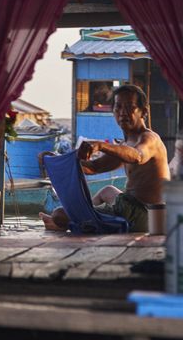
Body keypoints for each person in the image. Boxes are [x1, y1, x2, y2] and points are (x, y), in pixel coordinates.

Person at [39, 84, 169, 233]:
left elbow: (137, 156)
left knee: (58, 214)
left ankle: (71, 222)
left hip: (145, 215)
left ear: (143, 112)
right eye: (118, 107)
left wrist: (101, 145)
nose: (123, 113)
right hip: (128, 206)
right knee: (107, 191)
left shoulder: (149, 139)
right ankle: (87, 216)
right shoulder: (126, 145)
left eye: (130, 107)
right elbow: (94, 167)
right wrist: (56, 160)